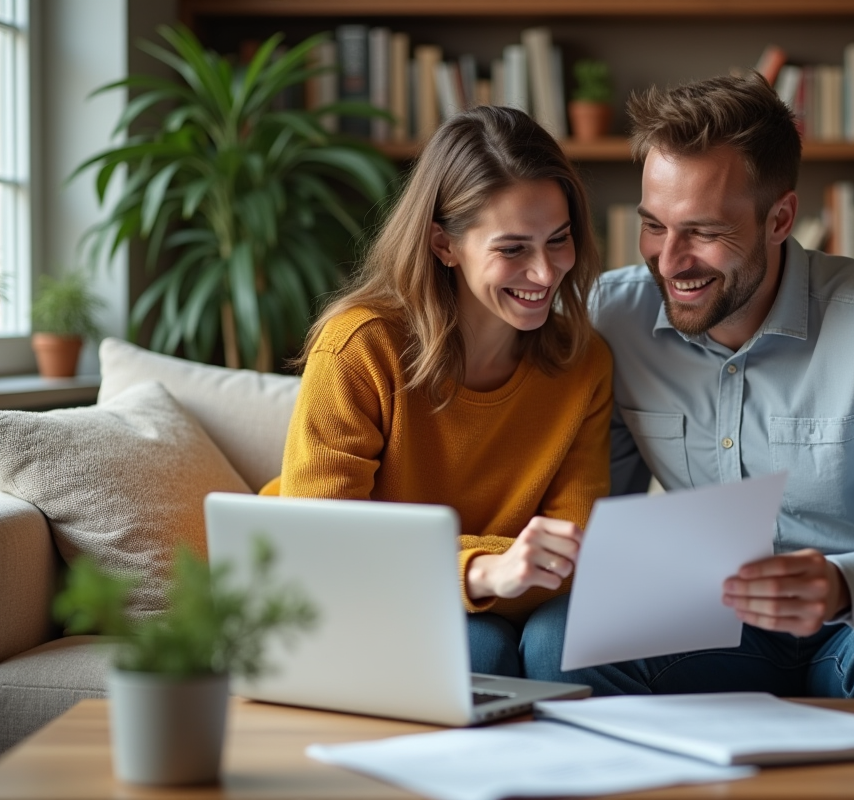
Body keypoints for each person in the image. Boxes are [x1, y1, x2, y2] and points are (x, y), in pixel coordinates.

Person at [521, 74, 854, 698]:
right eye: (653, 226)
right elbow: (596, 515)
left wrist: (841, 584)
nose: (669, 262)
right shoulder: (613, 317)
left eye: (703, 232)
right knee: (556, 641)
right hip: (722, 623)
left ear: (779, 218)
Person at [262, 106, 612, 678]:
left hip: (485, 598)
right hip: (353, 596)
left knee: (558, 643)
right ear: (444, 244)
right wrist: (482, 571)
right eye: (513, 248)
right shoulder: (360, 349)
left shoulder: (583, 363)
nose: (547, 274)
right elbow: (321, 550)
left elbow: (569, 556)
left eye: (559, 239)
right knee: (481, 650)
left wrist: (502, 574)